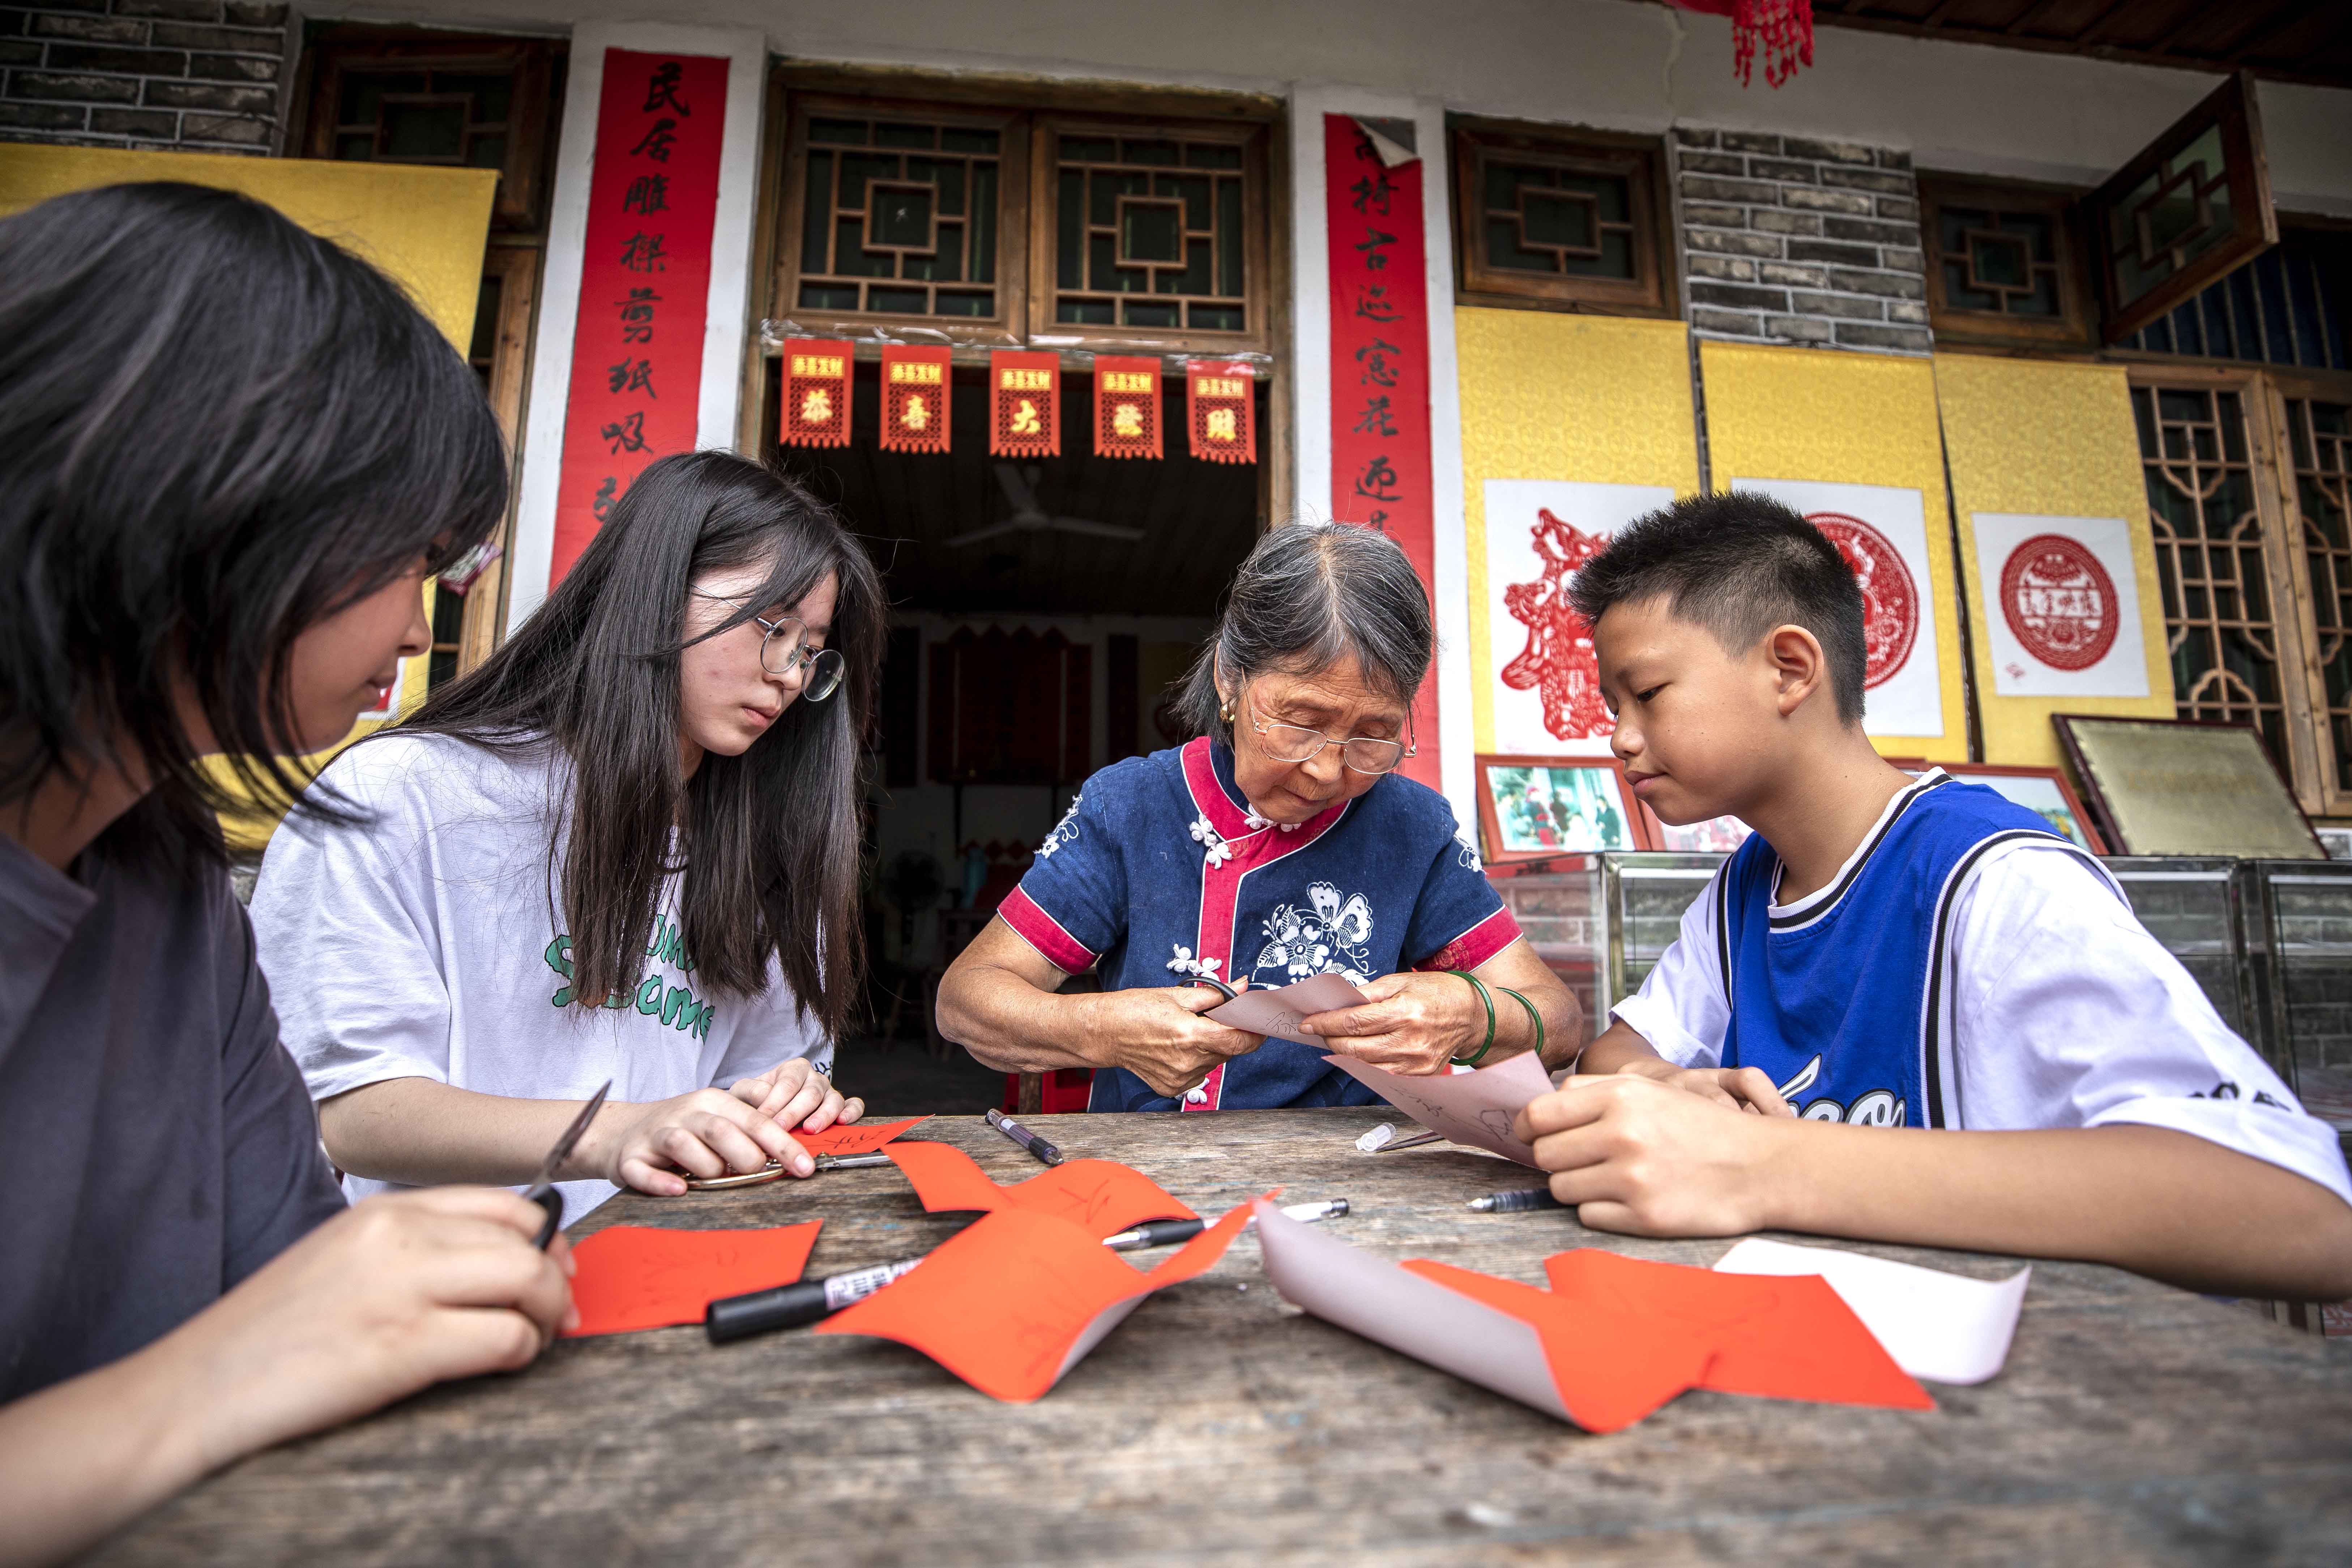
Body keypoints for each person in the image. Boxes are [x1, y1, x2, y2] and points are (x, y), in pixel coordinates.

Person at [0, 182, 569, 1565]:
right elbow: (275, 1323)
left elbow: (294, 1271)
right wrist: (219, 1376)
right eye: (417, 557)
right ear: (204, 497)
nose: (425, 624)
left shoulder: (167, 882)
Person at [1513, 491, 2352, 1299]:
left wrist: (1761, 1163)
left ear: (1790, 668)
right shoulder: (1743, 893)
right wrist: (1671, 1084)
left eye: (1648, 694)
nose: (1619, 738)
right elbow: (1612, 1062)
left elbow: (2301, 1211)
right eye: (1612, 705)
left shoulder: (1992, 875)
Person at [250, 452, 880, 1217]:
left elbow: (746, 1090)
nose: (788, 673)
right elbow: (351, 1111)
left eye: (811, 653)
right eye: (774, 628)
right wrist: (615, 1133)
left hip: (667, 1276)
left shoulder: (765, 852)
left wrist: (785, 1097)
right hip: (451, 1289)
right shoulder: (408, 795)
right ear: (654, 586)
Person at [938, 522, 1587, 1109]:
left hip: (1346, 1183)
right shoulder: (1132, 805)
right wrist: (1105, 1029)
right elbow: (966, 1000)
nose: (1329, 770)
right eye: (1300, 723)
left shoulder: (1412, 829)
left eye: (1373, 735)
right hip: (1145, 1175)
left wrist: (1475, 1016)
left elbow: (1558, 1020)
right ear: (1229, 677)